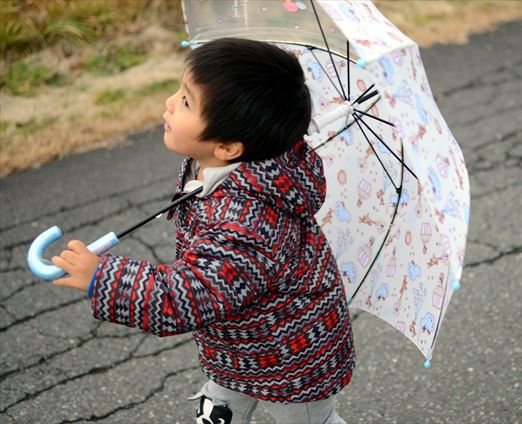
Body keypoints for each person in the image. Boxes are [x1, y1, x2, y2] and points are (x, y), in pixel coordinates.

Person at [51, 37, 355, 424]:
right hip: (236, 346)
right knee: (218, 412)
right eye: (180, 92)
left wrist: (104, 276)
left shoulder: (248, 222)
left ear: (228, 147)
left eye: (185, 101)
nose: (169, 102)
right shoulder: (222, 168)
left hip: (292, 360)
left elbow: (190, 296)